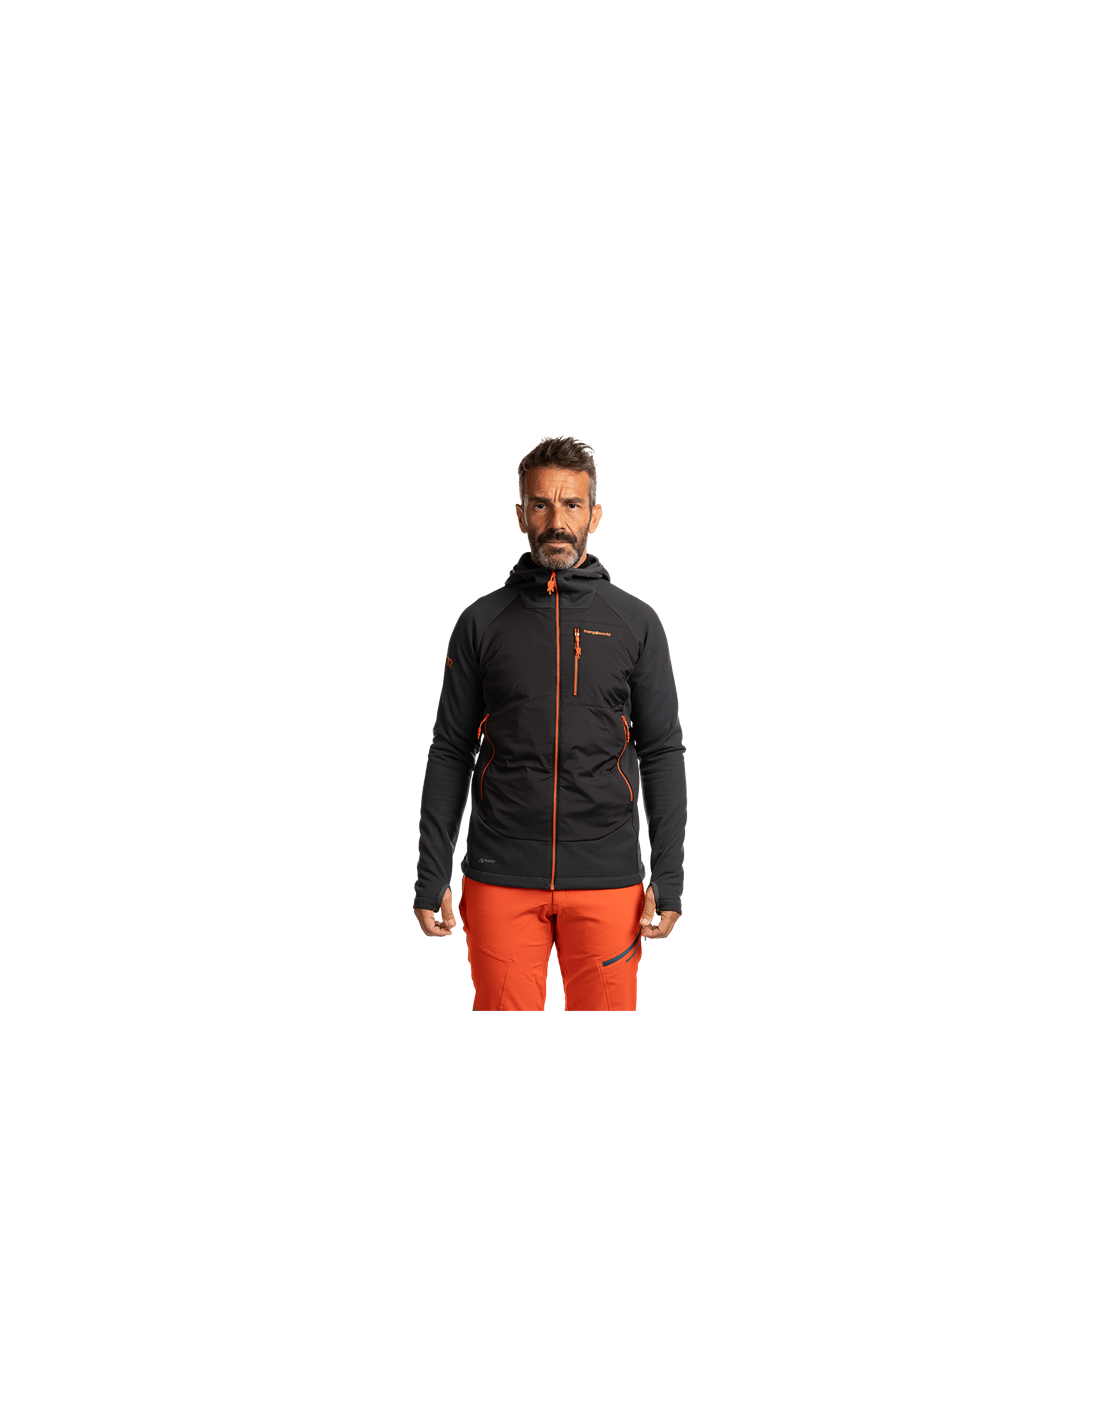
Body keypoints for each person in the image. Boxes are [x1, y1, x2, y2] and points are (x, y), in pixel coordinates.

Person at [412, 434, 687, 1010]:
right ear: (520, 515)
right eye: (541, 504)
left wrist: (669, 873)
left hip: (608, 876)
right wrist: (432, 870)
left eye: (571, 504)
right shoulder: (481, 622)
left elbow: (662, 750)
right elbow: (450, 749)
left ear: (595, 515)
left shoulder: (637, 622)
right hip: (499, 874)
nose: (556, 521)